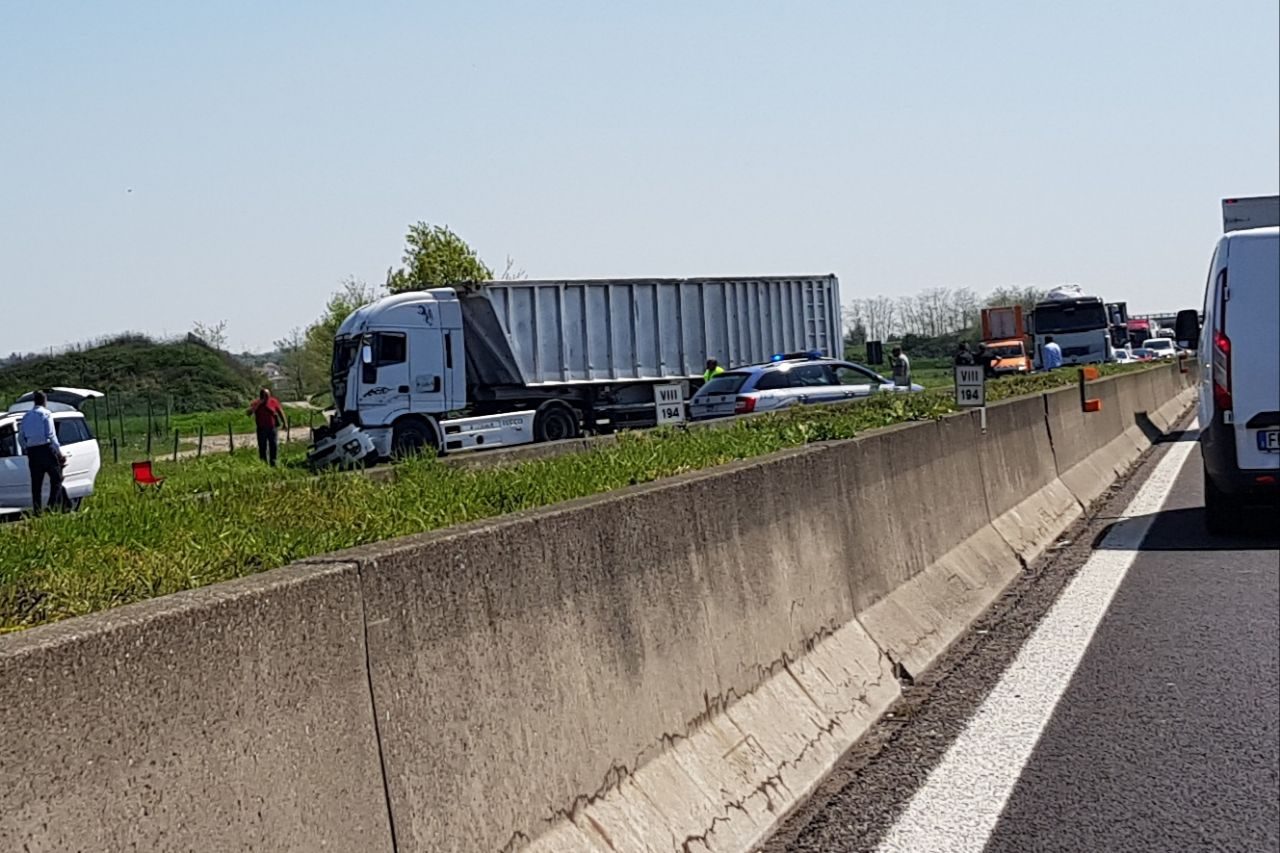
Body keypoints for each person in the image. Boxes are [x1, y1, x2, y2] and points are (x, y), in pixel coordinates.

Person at [19, 390, 67, 514]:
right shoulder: (46, 414)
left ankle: (37, 510)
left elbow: (21, 436)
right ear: (44, 401)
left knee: (36, 483)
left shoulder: (26, 416)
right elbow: (51, 435)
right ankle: (51, 506)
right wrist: (59, 452)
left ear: (34, 401)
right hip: (46, 449)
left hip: (32, 451)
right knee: (57, 479)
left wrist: (26, 449)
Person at [247, 388, 287, 467]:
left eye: (268, 395)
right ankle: (263, 464)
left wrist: (284, 423)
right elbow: (249, 413)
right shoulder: (256, 403)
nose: (267, 397)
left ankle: (274, 463)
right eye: (265, 396)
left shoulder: (273, 401)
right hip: (261, 428)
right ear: (261, 396)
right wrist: (258, 404)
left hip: (272, 428)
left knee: (273, 446)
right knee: (262, 447)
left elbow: (280, 411)